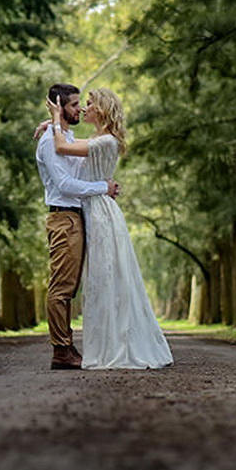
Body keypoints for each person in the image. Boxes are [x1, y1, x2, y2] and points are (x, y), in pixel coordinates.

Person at [46, 89, 173, 369]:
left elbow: (62, 147)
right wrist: (52, 125)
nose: (83, 109)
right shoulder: (97, 139)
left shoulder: (105, 141)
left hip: (99, 212)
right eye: (82, 104)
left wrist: (55, 120)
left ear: (101, 110)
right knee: (98, 279)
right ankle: (101, 342)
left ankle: (114, 345)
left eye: (89, 104)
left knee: (105, 278)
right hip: (90, 209)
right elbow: (67, 142)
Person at [35, 83, 121, 370]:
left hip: (77, 217)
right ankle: (61, 350)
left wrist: (54, 122)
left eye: (80, 104)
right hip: (63, 218)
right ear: (59, 107)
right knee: (62, 287)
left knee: (70, 287)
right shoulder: (50, 140)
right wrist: (103, 187)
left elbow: (80, 161)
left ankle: (67, 346)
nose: (80, 108)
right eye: (73, 105)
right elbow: (64, 184)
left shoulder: (65, 135)